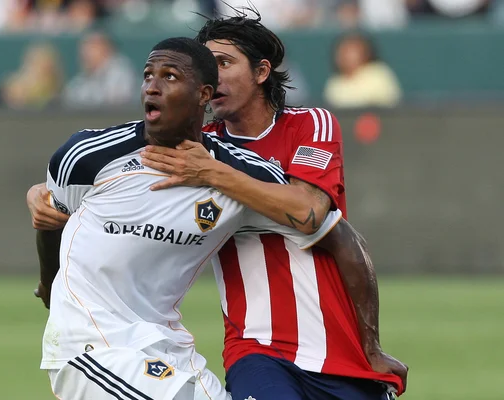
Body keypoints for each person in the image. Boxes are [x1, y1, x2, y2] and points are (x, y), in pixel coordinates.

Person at [27, 12, 409, 400]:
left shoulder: (305, 126)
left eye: (224, 63)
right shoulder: (193, 148)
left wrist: (372, 344)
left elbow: (313, 214)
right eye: (209, 66)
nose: (216, 74)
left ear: (261, 71)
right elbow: (83, 183)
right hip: (256, 347)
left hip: (336, 347)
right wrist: (40, 195)